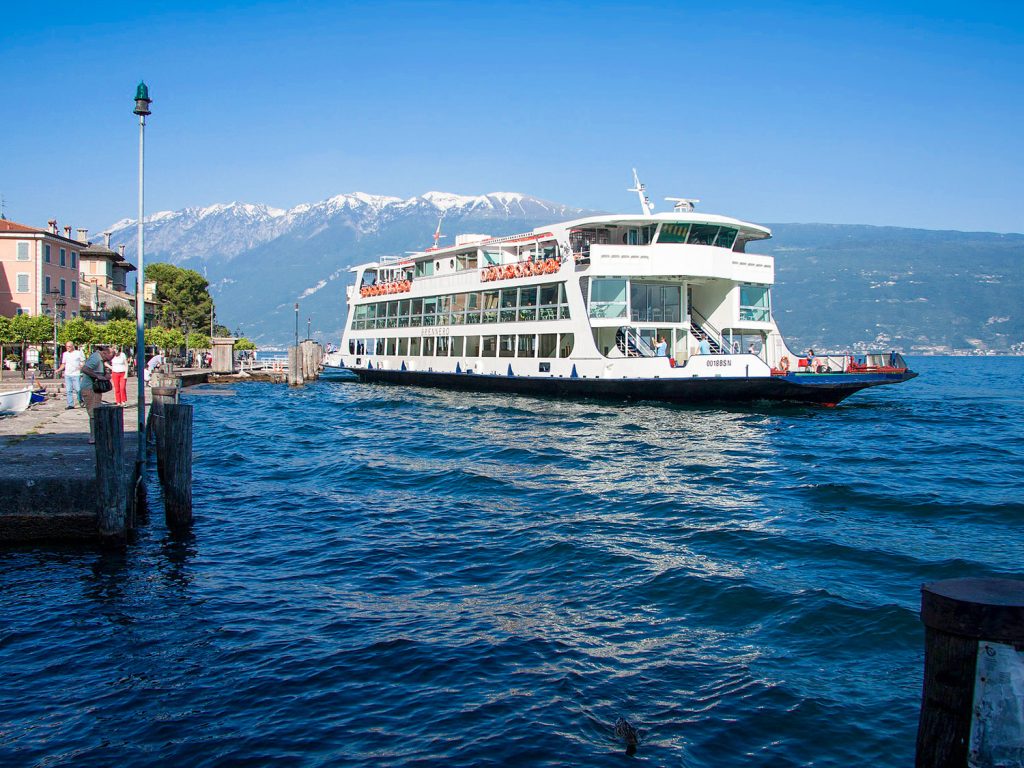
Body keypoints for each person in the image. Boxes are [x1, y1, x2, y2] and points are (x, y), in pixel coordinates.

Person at [80, 345, 114, 444]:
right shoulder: (96, 358)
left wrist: (105, 374)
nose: (111, 359)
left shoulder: (101, 360)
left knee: (97, 412)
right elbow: (85, 369)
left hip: (96, 389)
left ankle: (97, 435)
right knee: (93, 413)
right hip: (90, 389)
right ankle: (93, 437)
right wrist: (98, 376)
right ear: (105, 353)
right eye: (110, 357)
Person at [55, 341, 85, 410]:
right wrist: (59, 370)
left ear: (72, 346)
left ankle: (81, 400)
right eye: (66, 347)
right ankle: (70, 404)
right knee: (69, 390)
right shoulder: (65, 354)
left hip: (76, 374)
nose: (67, 348)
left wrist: (81, 366)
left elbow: (83, 362)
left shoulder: (78, 353)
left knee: (78, 389)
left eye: (69, 347)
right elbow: (64, 364)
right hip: (67, 374)